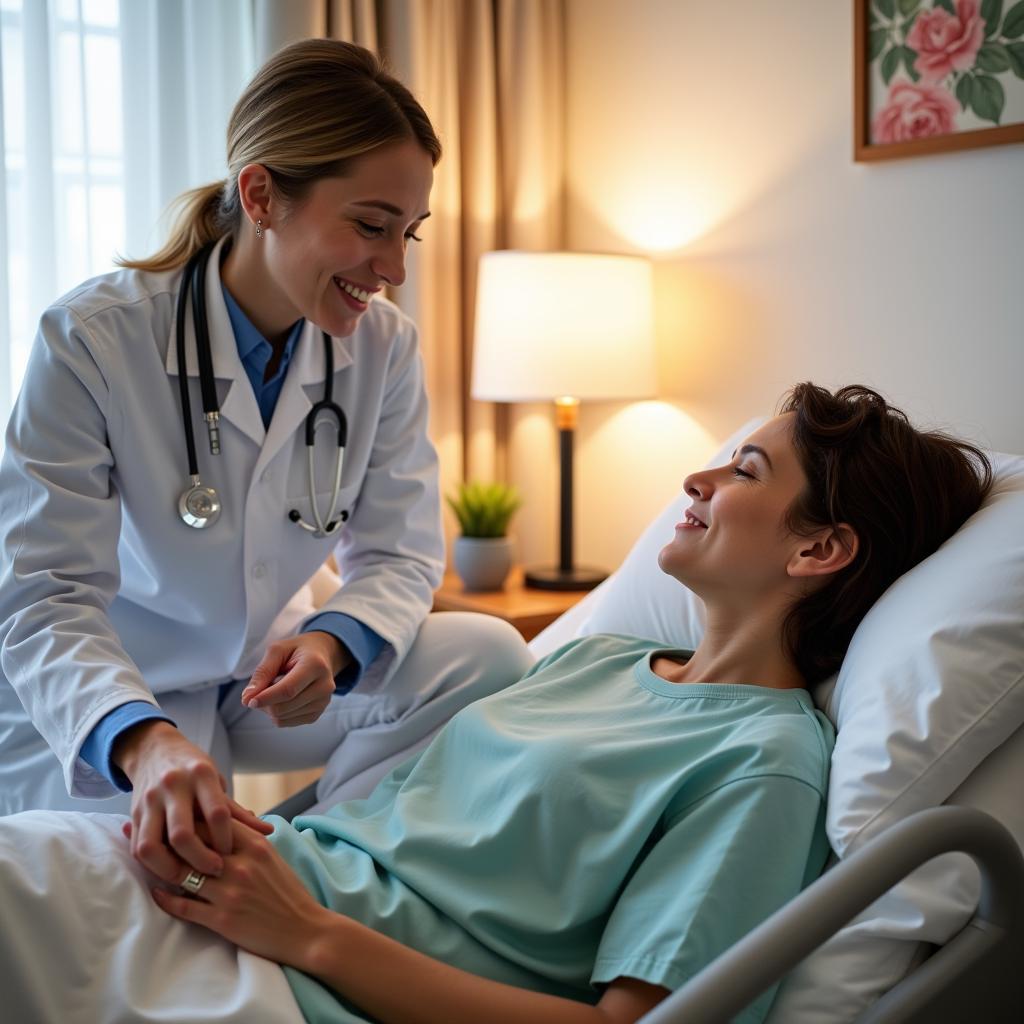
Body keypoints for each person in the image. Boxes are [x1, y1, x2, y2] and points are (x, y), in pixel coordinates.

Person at [0, 384, 993, 1024]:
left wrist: (308, 934)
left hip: (294, 980)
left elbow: (633, 1023)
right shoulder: (599, 659)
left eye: (745, 471)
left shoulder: (764, 761)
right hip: (238, 886)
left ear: (818, 550)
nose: (695, 476)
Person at [0, 40, 531, 883]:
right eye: (369, 226)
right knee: (135, 901)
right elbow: (42, 597)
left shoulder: (383, 349)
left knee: (489, 656)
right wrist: (142, 741)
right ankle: (238, 846)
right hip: (116, 691)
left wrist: (331, 642)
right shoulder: (93, 341)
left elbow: (398, 554)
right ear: (261, 195)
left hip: (267, 672)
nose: (392, 269)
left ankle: (324, 862)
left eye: (408, 234)